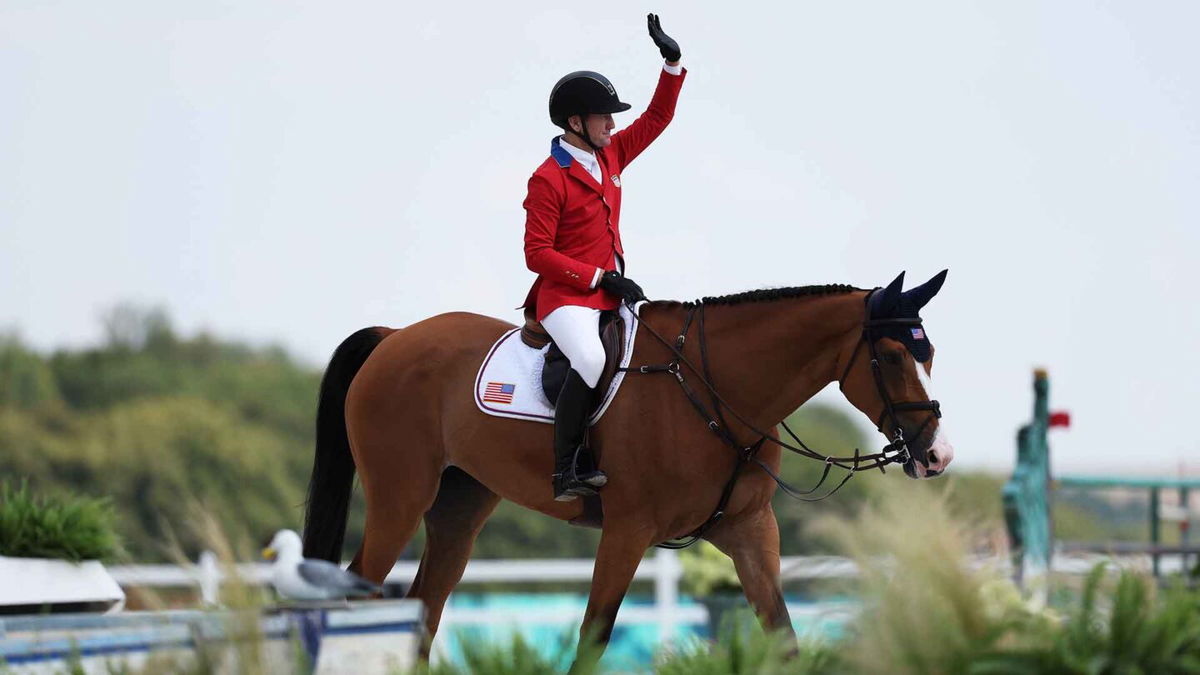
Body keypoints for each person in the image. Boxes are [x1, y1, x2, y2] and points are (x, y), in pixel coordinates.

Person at [521, 14, 686, 502]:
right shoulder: (548, 177)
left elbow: (656, 119)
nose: (613, 126)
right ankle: (566, 468)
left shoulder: (610, 155)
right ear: (577, 123)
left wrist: (672, 64)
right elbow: (537, 254)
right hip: (566, 298)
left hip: (609, 292)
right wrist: (598, 277)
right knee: (591, 356)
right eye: (603, 118)